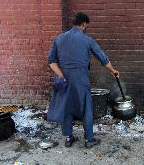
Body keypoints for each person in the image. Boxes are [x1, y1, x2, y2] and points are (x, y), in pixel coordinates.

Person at [46, 12, 119, 148]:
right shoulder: (87, 40)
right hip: (81, 80)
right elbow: (103, 58)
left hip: (64, 81)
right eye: (87, 26)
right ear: (84, 24)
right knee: (86, 108)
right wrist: (113, 71)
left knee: (66, 107)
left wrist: (61, 75)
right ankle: (89, 140)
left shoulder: (59, 39)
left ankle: (68, 138)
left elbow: (51, 62)